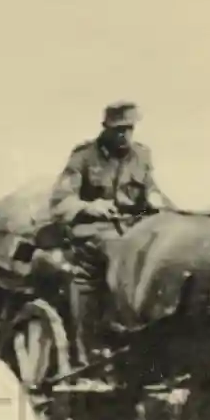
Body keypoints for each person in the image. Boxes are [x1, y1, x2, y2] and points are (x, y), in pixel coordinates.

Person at [44, 102, 173, 350]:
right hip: (92, 228)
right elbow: (61, 200)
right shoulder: (84, 156)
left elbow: (152, 191)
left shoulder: (141, 156)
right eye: (119, 129)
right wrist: (87, 207)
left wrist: (159, 202)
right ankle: (98, 339)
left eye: (130, 129)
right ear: (106, 128)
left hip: (133, 227)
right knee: (119, 252)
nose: (125, 135)